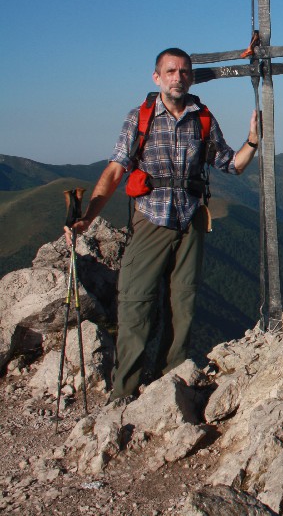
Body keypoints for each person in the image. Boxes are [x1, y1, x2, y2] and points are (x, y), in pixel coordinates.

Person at [66, 47, 259, 401]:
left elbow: (232, 164)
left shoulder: (202, 119)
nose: (178, 77)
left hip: (190, 221)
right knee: (136, 302)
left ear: (191, 77)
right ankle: (123, 391)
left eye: (184, 72)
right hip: (151, 218)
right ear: (157, 77)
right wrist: (88, 217)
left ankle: (171, 387)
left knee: (182, 306)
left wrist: (253, 140)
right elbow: (115, 170)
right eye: (171, 71)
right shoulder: (140, 118)